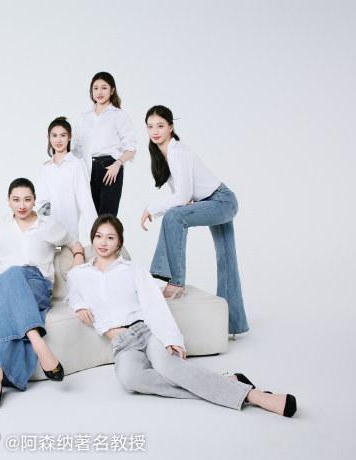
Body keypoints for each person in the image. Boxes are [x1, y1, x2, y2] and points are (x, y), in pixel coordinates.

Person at [68, 215, 296, 417]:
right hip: (121, 343)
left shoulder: (132, 269)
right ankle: (228, 384)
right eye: (98, 236)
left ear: (119, 242)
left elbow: (154, 304)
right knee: (130, 380)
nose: (103, 242)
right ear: (92, 239)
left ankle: (254, 396)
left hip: (146, 331)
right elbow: (73, 295)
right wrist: (79, 306)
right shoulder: (80, 274)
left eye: (110, 237)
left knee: (169, 368)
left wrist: (171, 338)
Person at [0, 178, 85, 413]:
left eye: (27, 199)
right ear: (9, 201)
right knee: (8, 282)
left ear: (34, 200)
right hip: (3, 286)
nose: (22, 205)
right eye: (16, 200)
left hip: (36, 285)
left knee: (5, 293)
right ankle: (36, 342)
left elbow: (73, 242)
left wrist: (78, 257)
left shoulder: (48, 225)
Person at [140, 105, 249, 335]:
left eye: (160, 126)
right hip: (211, 201)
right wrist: (184, 201)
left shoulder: (177, 152)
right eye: (150, 127)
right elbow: (183, 195)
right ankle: (233, 325)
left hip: (221, 201)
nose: (155, 131)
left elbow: (181, 198)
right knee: (226, 260)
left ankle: (175, 281)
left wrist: (151, 208)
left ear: (171, 127)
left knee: (173, 216)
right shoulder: (164, 154)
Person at [72, 71, 136, 216]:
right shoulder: (84, 118)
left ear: (112, 90)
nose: (99, 92)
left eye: (104, 88)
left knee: (107, 218)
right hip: (87, 169)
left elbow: (131, 148)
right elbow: (77, 150)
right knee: (92, 219)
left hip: (110, 168)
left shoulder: (119, 115)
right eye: (95, 88)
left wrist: (117, 164)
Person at [35, 116, 97, 244]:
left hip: (70, 238)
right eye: (54, 135)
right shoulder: (46, 168)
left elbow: (85, 201)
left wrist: (96, 235)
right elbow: (40, 203)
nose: (58, 140)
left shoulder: (76, 165)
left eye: (63, 135)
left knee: (64, 257)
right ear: (49, 138)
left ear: (69, 137)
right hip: (47, 236)